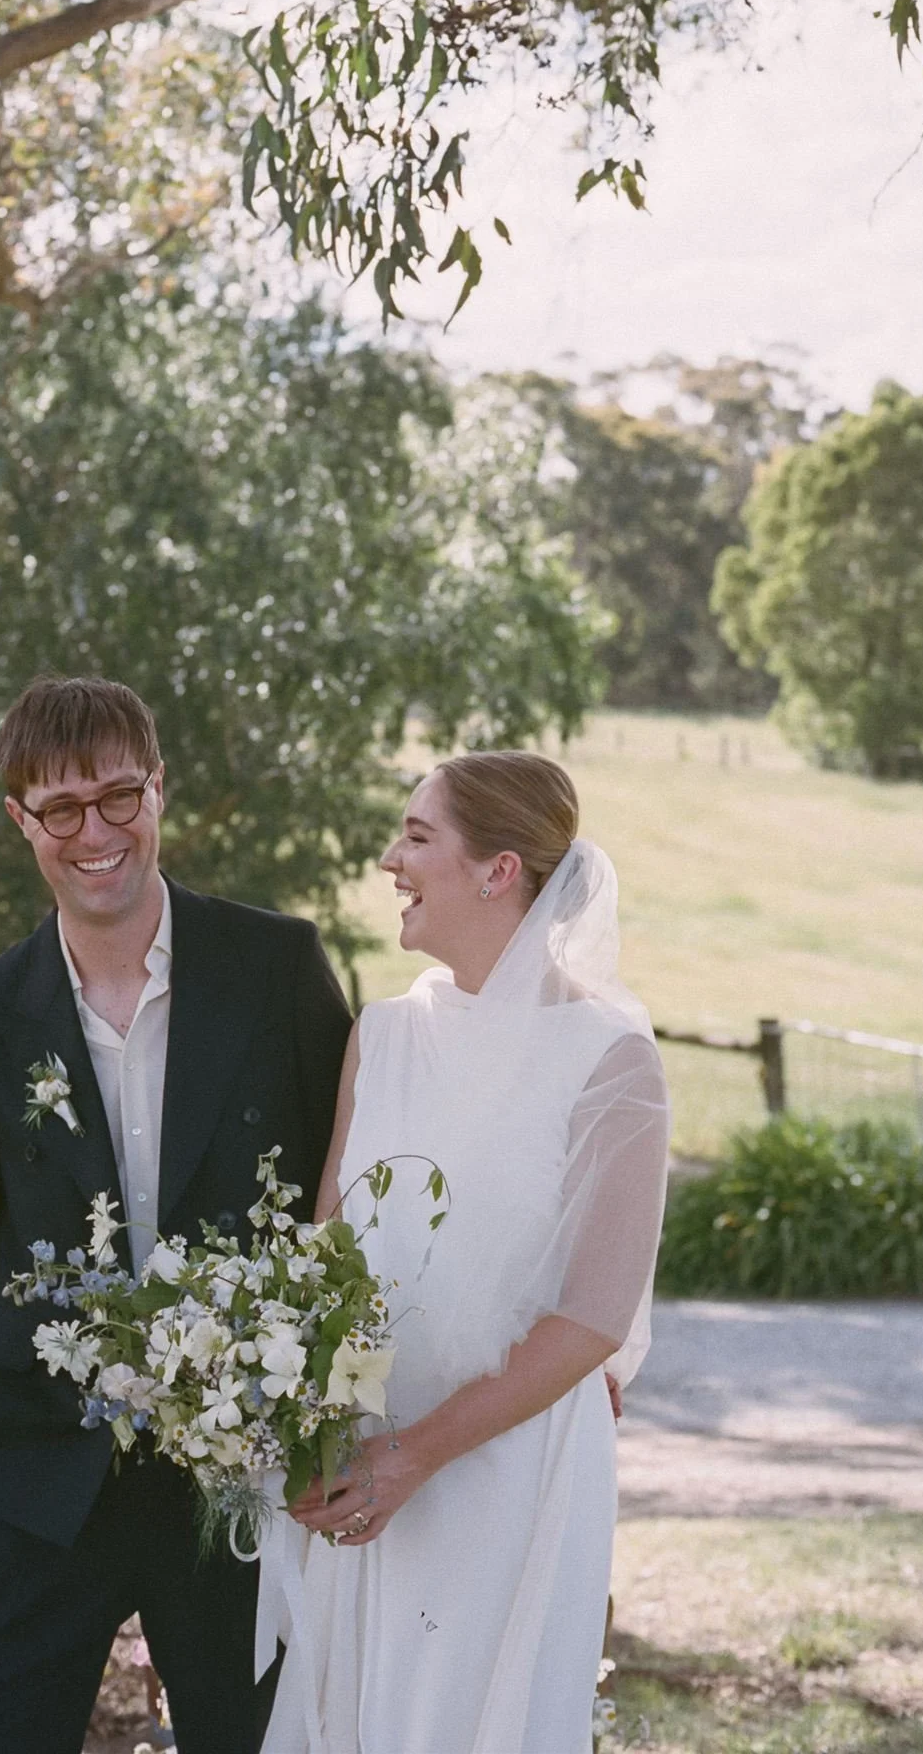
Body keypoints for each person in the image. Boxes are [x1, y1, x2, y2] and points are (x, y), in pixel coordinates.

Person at [0, 675, 352, 1754]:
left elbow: (359, 1180)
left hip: (238, 1483)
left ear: (159, 790)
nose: (94, 831)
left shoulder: (275, 965)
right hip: (40, 1470)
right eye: (60, 808)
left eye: (117, 795)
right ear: (20, 819)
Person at [256, 751, 670, 1754]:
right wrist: (328, 1435)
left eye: (416, 835)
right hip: (367, 1459)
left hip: (507, 1464)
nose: (390, 858)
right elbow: (330, 1257)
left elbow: (591, 1317)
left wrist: (414, 1454)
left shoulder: (610, 1058)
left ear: (498, 869)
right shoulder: (384, 1034)